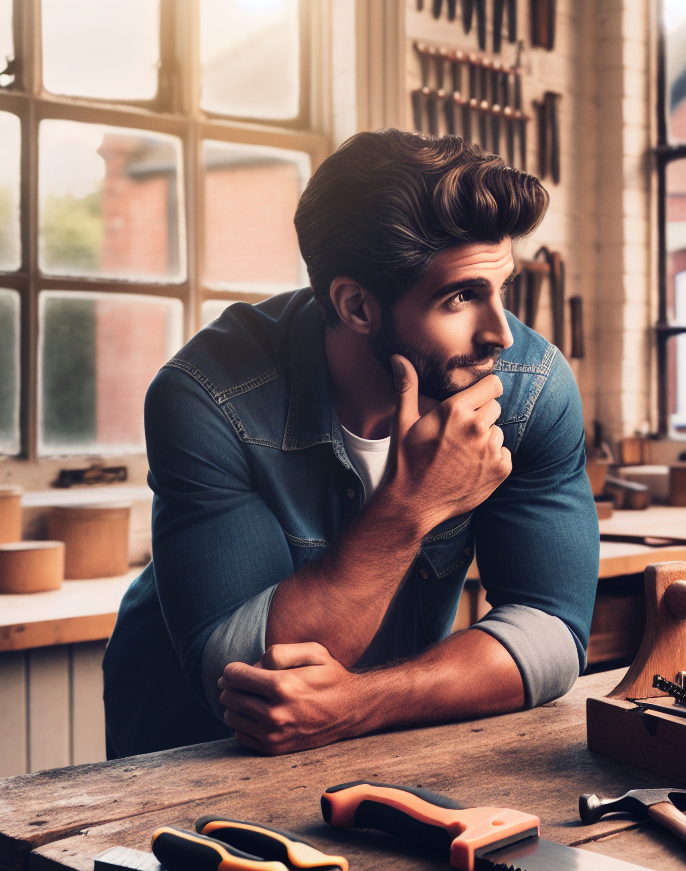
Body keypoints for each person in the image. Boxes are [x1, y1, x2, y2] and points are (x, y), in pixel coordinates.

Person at [103, 130, 599, 758]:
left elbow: (552, 633)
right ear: (357, 305)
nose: (500, 332)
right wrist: (413, 506)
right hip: (186, 747)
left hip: (368, 733)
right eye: (461, 297)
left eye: (503, 289)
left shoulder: (529, 388)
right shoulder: (208, 394)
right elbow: (252, 678)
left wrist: (361, 703)